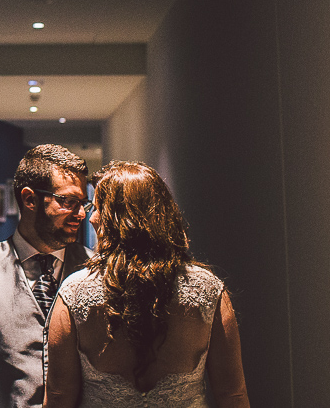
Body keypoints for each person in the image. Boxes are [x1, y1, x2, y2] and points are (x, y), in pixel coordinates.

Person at [44, 161, 249, 407]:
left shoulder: (74, 292)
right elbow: (232, 395)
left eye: (98, 208)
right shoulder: (208, 290)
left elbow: (58, 397)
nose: (92, 218)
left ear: (119, 219)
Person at [0, 145, 93, 407]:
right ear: (30, 199)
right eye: (68, 202)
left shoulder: (95, 271)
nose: (80, 214)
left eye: (83, 203)